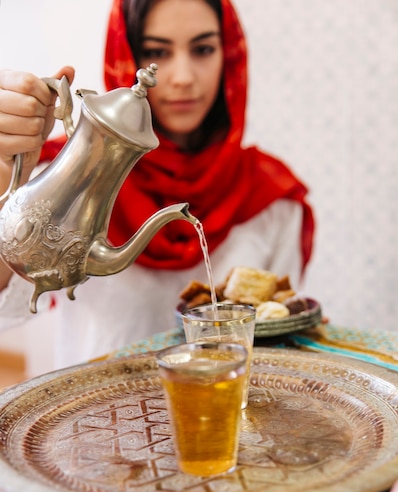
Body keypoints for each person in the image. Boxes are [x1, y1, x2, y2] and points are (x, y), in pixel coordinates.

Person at [0, 0, 315, 371]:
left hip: (221, 420)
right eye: (155, 51)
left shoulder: (270, 199)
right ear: (126, 53)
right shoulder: (63, 172)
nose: (182, 76)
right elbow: (7, 309)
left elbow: (273, 341)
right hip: (93, 419)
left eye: (202, 49)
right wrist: (7, 176)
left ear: (228, 55)